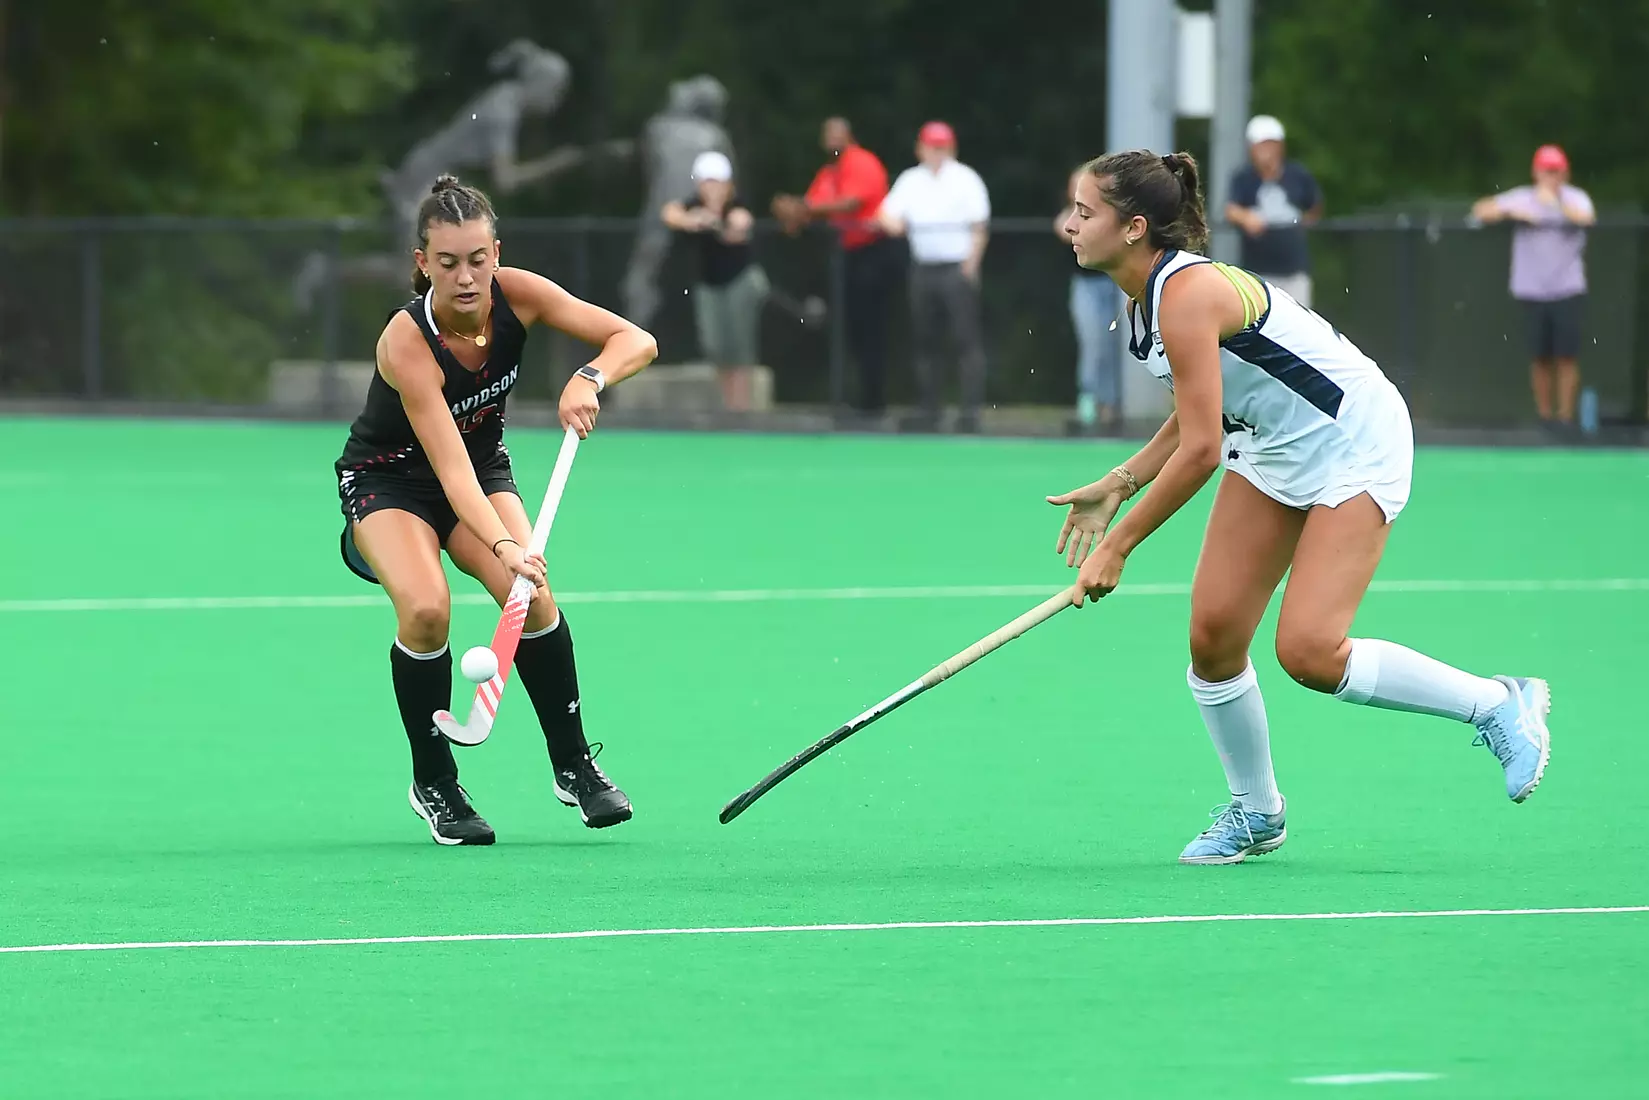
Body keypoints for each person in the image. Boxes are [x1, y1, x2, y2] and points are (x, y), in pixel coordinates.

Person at [1049, 150, 1551, 865]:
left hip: (1353, 440)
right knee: (1214, 635)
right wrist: (1121, 480)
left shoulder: (1185, 294)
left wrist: (1118, 544)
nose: (1069, 225)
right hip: (1274, 445)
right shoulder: (1141, 303)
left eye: (1085, 212)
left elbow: (1198, 449)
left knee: (1309, 652)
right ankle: (1257, 814)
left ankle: (1496, 702)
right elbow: (1206, 410)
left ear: (1132, 228)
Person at [334, 175, 658, 845]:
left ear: (496, 254)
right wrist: (505, 545)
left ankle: (574, 768)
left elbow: (636, 339)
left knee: (533, 600)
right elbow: (447, 470)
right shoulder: (406, 339)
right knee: (426, 610)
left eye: (478, 259)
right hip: (391, 480)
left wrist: (589, 376)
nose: (465, 276)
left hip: (482, 468)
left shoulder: (520, 295)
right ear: (422, 264)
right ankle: (435, 783)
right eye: (447, 262)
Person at [772, 117, 898, 419]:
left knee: (871, 328)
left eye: (834, 132)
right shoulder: (831, 171)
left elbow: (851, 203)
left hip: (873, 251)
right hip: (847, 256)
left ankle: (874, 402)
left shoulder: (861, 161)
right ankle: (859, 399)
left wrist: (802, 208)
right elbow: (812, 206)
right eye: (825, 132)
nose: (829, 138)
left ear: (848, 134)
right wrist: (794, 212)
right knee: (853, 329)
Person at [875, 120, 991, 432]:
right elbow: (885, 213)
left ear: (951, 148)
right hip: (924, 268)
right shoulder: (911, 180)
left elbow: (979, 226)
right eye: (931, 146)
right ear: (921, 148)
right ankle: (930, 410)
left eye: (941, 147)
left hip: (956, 266)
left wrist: (971, 264)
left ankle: (970, 412)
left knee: (966, 339)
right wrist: (891, 224)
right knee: (925, 340)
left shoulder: (966, 179)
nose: (936, 153)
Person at [1470, 144, 1596, 430]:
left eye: (1557, 171)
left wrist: (1555, 203)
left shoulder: (1576, 198)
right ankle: (1545, 418)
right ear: (1536, 172)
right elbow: (1480, 210)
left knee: (1566, 355)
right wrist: (1513, 212)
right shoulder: (1523, 198)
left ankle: (1565, 418)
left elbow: (1586, 218)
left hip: (1567, 289)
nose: (1552, 176)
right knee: (1539, 356)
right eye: (1546, 171)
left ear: (1565, 172)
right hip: (1532, 291)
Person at [661, 150, 770, 411]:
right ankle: (728, 405)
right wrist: (691, 221)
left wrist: (720, 223)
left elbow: (740, 225)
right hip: (709, 285)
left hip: (739, 282)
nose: (712, 188)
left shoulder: (738, 205)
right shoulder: (694, 206)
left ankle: (740, 408)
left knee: (739, 347)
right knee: (716, 347)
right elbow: (669, 212)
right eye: (707, 182)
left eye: (717, 182)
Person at [1223, 115, 1323, 308]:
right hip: (1257, 273)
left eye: (1272, 144)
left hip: (1294, 270)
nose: (1267, 151)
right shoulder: (1243, 178)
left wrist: (1299, 226)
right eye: (1262, 145)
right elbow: (1231, 209)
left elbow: (1314, 206)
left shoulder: (1297, 175)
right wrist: (1247, 218)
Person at [1057, 167, 1124, 434]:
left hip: (1114, 284)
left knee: (1114, 344)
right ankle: (1088, 399)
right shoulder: (1072, 218)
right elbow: (1065, 230)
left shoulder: (1107, 216)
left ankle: (1110, 404)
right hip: (1085, 286)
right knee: (1092, 342)